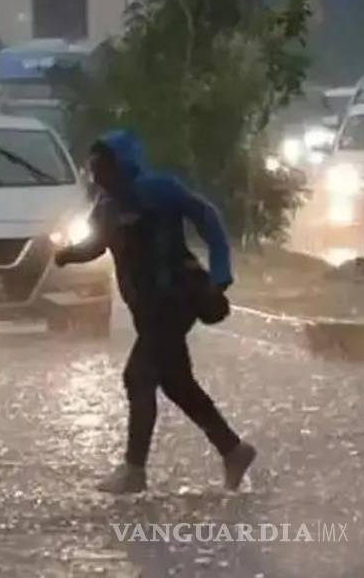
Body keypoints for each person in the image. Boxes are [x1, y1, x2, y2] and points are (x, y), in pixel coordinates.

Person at [54, 131, 257, 494]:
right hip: (146, 308)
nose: (98, 175)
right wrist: (67, 254)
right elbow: (96, 244)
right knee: (177, 383)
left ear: (123, 164)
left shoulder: (160, 191)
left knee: (138, 376)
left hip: (177, 298)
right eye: (94, 168)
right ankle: (232, 449)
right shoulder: (107, 206)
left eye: (104, 166)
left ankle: (134, 470)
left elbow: (207, 219)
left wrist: (222, 273)